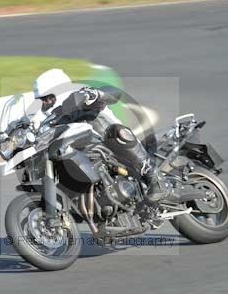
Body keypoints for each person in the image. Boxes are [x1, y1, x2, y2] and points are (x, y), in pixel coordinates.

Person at [31, 69, 166, 202]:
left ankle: (154, 178)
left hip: (114, 149)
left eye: (47, 98)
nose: (44, 103)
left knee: (116, 131)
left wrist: (95, 94)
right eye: (42, 100)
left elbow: (115, 93)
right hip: (88, 157)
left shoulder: (82, 97)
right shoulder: (52, 118)